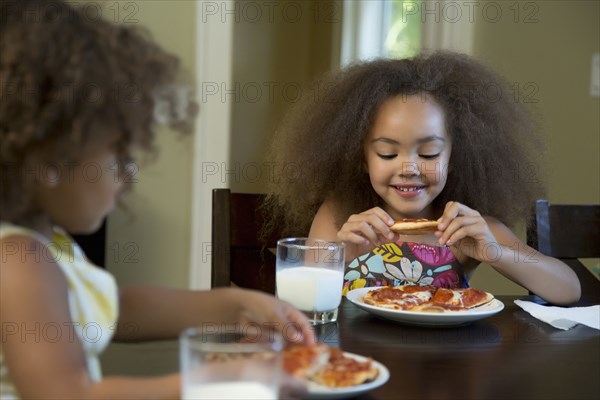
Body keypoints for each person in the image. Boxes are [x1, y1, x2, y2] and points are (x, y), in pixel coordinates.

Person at [0, 1, 314, 398]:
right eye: (120, 155)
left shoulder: (47, 244)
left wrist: (238, 304)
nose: (131, 173)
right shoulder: (20, 263)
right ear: (50, 160)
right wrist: (215, 380)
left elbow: (118, 309)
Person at [264, 51, 580, 305]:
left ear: (454, 160)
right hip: (356, 364)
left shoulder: (464, 229)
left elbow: (568, 289)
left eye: (428, 153)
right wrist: (343, 255)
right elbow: (292, 304)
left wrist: (495, 253)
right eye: (388, 153)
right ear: (362, 159)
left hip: (440, 370)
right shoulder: (340, 215)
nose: (409, 168)